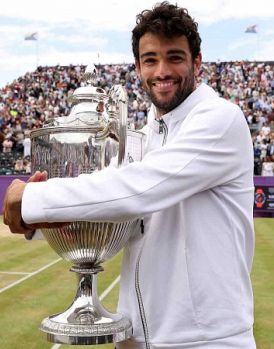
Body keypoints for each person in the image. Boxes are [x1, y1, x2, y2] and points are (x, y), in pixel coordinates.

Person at [3, 2, 256, 348]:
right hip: (136, 339)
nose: (162, 70)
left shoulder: (221, 119)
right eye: (150, 59)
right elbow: (112, 213)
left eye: (175, 57)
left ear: (197, 62)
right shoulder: (145, 135)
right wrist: (43, 222)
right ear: (138, 67)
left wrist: (32, 200)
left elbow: (138, 190)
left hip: (204, 341)